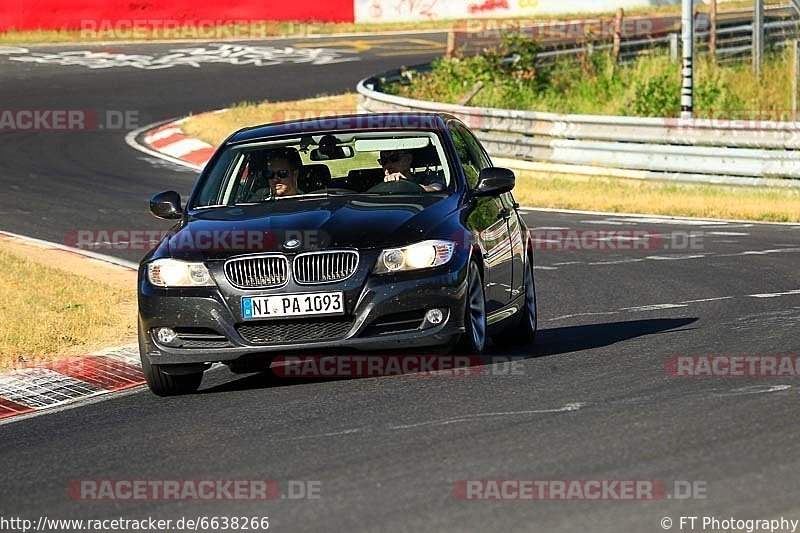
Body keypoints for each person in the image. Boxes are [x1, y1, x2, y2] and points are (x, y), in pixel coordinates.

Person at [379, 149, 444, 192]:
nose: (388, 165)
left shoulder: (427, 178)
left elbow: (436, 189)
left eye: (394, 158)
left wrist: (406, 183)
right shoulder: (375, 183)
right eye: (383, 161)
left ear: (408, 159)